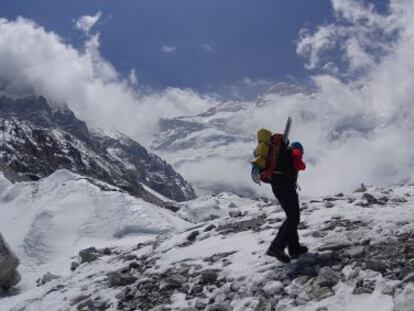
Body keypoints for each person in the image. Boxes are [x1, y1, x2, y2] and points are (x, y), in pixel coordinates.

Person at [265, 141, 307, 263]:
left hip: (277, 185)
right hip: (285, 184)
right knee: (293, 217)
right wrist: (301, 163)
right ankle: (276, 247)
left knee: (292, 216)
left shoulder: (282, 156)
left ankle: (294, 248)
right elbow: (300, 165)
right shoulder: (294, 151)